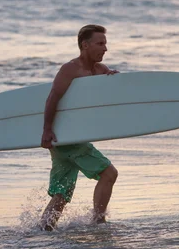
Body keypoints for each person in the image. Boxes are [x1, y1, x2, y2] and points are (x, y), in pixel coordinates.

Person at [39, 24, 119, 231]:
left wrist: (114, 80)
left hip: (62, 140)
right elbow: (52, 98)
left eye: (105, 43)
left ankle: (43, 230)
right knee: (109, 174)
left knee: (61, 194)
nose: (105, 48)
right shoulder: (71, 69)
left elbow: (108, 98)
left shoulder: (100, 70)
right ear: (85, 45)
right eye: (100, 43)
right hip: (69, 139)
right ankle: (98, 222)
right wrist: (47, 130)